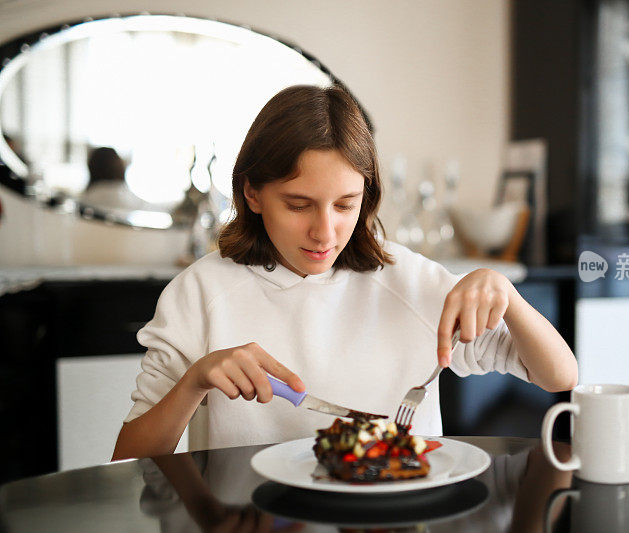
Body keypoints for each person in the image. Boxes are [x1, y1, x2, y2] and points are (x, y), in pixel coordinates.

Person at [111, 85, 577, 461]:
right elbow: (128, 458)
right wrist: (196, 380)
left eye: (345, 205)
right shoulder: (199, 293)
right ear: (252, 193)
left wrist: (508, 296)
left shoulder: (410, 282)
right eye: (298, 205)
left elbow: (559, 375)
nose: (324, 232)